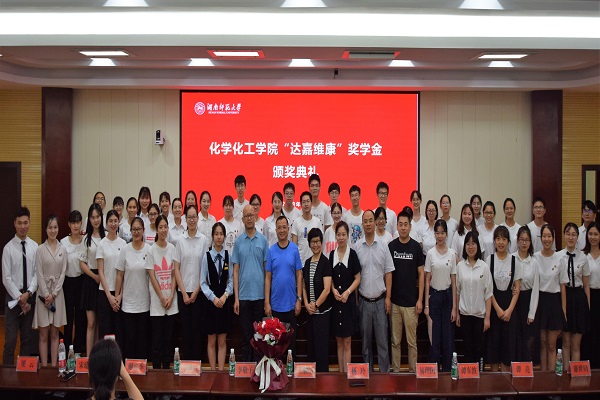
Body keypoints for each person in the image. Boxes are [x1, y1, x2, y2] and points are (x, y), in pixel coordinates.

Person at [355, 209, 394, 372]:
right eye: (365, 221)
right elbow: (355, 276)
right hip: (363, 302)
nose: (368, 224)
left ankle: (384, 378)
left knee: (383, 344)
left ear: (376, 222)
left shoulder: (383, 246)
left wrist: (388, 298)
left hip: (380, 302)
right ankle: (368, 377)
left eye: (371, 220)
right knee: (365, 345)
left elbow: (389, 272)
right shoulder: (357, 247)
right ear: (362, 224)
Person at [232, 204, 269, 362]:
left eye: (251, 215)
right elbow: (235, 271)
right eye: (246, 216)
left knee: (259, 336)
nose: (249, 218)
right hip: (244, 297)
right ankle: (247, 368)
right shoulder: (238, 242)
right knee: (246, 336)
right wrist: (236, 298)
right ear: (242, 219)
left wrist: (267, 299)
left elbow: (267, 271)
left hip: (259, 296)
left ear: (255, 217)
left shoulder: (263, 240)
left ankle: (258, 368)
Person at [388, 210, 424, 372]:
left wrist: (420, 300)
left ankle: (413, 372)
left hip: (411, 304)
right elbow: (388, 274)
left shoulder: (416, 247)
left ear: (410, 226)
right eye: (400, 225)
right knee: (395, 341)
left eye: (405, 224)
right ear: (397, 226)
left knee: (411, 342)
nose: (403, 228)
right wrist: (388, 297)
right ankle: (395, 371)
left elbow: (421, 274)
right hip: (395, 303)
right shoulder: (391, 246)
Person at [173, 205, 209, 360]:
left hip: (198, 293)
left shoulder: (203, 240)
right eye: (189, 217)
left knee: (198, 330)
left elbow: (205, 269)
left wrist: (195, 292)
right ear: (185, 219)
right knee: (185, 331)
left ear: (198, 219)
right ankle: (186, 364)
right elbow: (176, 268)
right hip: (183, 292)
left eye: (194, 217)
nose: (192, 220)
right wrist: (184, 292)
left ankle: (197, 363)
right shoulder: (180, 241)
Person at [265, 215, 303, 357]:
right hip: (275, 306)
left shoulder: (294, 249)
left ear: (288, 229)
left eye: (284, 227)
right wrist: (267, 302)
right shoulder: (271, 250)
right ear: (276, 230)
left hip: (291, 305)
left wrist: (299, 299)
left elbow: (299, 275)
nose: (282, 230)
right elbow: (268, 277)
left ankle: (290, 370)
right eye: (279, 228)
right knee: (276, 345)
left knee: (291, 345)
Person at [32, 214, 66, 366]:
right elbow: (39, 274)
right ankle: (44, 367)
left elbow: (63, 273)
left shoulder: (62, 248)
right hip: (43, 296)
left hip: (57, 295)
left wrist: (54, 294)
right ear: (45, 229)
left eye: (55, 227)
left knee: (55, 333)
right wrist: (46, 294)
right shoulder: (40, 249)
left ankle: (54, 367)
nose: (53, 230)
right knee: (43, 334)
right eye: (50, 227)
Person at [486, 225, 521, 372]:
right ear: (494, 241)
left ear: (508, 242)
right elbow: (488, 289)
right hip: (494, 308)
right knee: (494, 349)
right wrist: (497, 309)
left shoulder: (514, 260)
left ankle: (506, 384)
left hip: (509, 311)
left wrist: (509, 310)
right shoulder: (489, 259)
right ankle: (494, 384)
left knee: (508, 350)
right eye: (498, 239)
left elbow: (517, 288)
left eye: (504, 239)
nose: (501, 242)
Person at [115, 217, 151, 360]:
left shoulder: (149, 249)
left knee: (142, 339)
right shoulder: (125, 249)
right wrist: (117, 296)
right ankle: (129, 369)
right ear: (130, 231)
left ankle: (141, 368)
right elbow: (119, 275)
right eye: (134, 229)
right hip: (128, 303)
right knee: (129, 339)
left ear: (143, 230)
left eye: (139, 229)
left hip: (144, 302)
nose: (136, 232)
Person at [424, 219, 457, 372]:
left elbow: (454, 282)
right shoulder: (430, 253)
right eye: (437, 233)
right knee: (435, 339)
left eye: (442, 233)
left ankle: (447, 373)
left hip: (448, 298)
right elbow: (427, 280)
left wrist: (454, 308)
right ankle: (433, 374)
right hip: (435, 298)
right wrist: (426, 305)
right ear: (434, 234)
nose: (440, 236)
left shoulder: (452, 254)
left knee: (447, 339)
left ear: (446, 234)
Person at [146, 215, 178, 369]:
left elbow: (174, 274)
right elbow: (152, 276)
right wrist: (161, 297)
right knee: (156, 340)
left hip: (171, 301)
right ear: (156, 229)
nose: (164, 230)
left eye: (166, 227)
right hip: (157, 302)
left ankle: (167, 371)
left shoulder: (172, 248)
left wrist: (171, 296)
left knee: (169, 339)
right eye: (161, 227)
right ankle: (156, 373)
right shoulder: (151, 250)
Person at [455, 231, 492, 364]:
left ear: (478, 246)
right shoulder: (460, 266)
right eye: (468, 244)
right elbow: (457, 291)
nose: (470, 247)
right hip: (465, 315)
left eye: (473, 243)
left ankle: (477, 376)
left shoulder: (484, 267)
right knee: (467, 349)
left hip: (479, 316)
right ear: (464, 246)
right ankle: (468, 376)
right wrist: (457, 313)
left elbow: (488, 293)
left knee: (478, 351)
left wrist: (487, 318)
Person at [200, 222, 232, 371]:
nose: (219, 237)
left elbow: (231, 280)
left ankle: (220, 372)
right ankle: (213, 372)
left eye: (221, 234)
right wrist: (213, 298)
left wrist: (225, 296)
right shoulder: (207, 256)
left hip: (224, 302)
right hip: (210, 303)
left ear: (224, 236)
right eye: (216, 234)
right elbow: (202, 282)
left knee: (222, 341)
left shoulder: (227, 256)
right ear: (212, 236)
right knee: (211, 341)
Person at [330, 221, 361, 373]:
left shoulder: (352, 254)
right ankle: (340, 374)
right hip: (336, 302)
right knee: (338, 341)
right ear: (335, 236)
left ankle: (346, 375)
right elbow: (329, 278)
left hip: (348, 303)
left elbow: (358, 278)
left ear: (348, 236)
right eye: (338, 234)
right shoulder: (332, 255)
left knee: (347, 341)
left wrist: (348, 292)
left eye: (343, 234)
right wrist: (333, 290)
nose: (341, 237)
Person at [559, 222, 590, 371]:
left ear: (578, 237)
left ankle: (575, 377)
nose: (571, 237)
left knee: (576, 344)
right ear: (564, 236)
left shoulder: (583, 257)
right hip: (565, 297)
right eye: (568, 234)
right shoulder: (559, 256)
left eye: (574, 234)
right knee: (566, 342)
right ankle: (565, 376)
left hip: (579, 298)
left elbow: (586, 285)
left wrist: (587, 307)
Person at [534, 224, 564, 371]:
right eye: (544, 236)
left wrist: (563, 310)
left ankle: (552, 379)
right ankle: (543, 379)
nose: (547, 239)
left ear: (553, 238)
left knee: (552, 345)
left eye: (549, 236)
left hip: (554, 302)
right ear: (541, 238)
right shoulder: (535, 257)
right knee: (542, 343)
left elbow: (562, 286)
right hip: (540, 301)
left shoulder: (560, 257)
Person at [302, 227, 332, 372]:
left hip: (322, 314)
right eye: (312, 242)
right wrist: (306, 304)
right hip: (310, 313)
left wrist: (316, 305)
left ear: (321, 242)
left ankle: (322, 382)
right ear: (309, 244)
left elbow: (327, 289)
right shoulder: (307, 263)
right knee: (311, 348)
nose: (315, 245)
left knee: (322, 350)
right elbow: (303, 285)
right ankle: (310, 381)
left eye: (318, 241)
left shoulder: (325, 262)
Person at [96, 210, 126, 348]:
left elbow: (124, 272)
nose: (113, 224)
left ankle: (118, 359)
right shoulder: (102, 244)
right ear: (106, 223)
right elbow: (100, 272)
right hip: (104, 293)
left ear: (119, 222)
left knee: (119, 331)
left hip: (119, 295)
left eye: (115, 221)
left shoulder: (124, 244)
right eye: (110, 221)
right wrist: (109, 295)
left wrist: (119, 295)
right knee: (105, 331)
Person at [79, 203, 105, 356]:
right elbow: (82, 263)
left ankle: (98, 356)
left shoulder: (106, 236)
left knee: (101, 323)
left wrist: (101, 277)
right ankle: (89, 357)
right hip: (90, 280)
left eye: (98, 216)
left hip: (104, 281)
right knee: (91, 323)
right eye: (93, 217)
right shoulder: (86, 239)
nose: (96, 220)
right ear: (89, 219)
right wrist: (94, 276)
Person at [513, 226, 540, 363]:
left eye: (527, 240)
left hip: (528, 300)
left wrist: (531, 313)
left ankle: (526, 367)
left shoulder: (534, 262)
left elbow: (536, 288)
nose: (524, 243)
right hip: (514, 301)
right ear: (517, 241)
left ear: (530, 242)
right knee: (515, 336)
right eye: (521, 239)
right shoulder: (512, 258)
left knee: (527, 338)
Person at [60, 210, 86, 353]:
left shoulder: (85, 240)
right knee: (68, 317)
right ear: (69, 224)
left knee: (81, 318)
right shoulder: (63, 242)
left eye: (78, 222)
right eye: (73, 223)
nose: (76, 226)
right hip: (68, 283)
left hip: (81, 282)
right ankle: (67, 349)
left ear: (81, 223)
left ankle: (78, 349)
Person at [582, 222, 600, 367]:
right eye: (590, 234)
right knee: (588, 333)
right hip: (587, 296)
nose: (593, 237)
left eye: (596, 234)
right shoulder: (583, 256)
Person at [292, 191, 322, 263]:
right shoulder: (296, 222)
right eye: (304, 202)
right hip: (300, 262)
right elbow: (294, 246)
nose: (306, 204)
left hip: (315, 262)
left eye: (308, 201)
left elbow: (321, 244)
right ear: (301, 204)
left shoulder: (317, 222)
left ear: (311, 203)